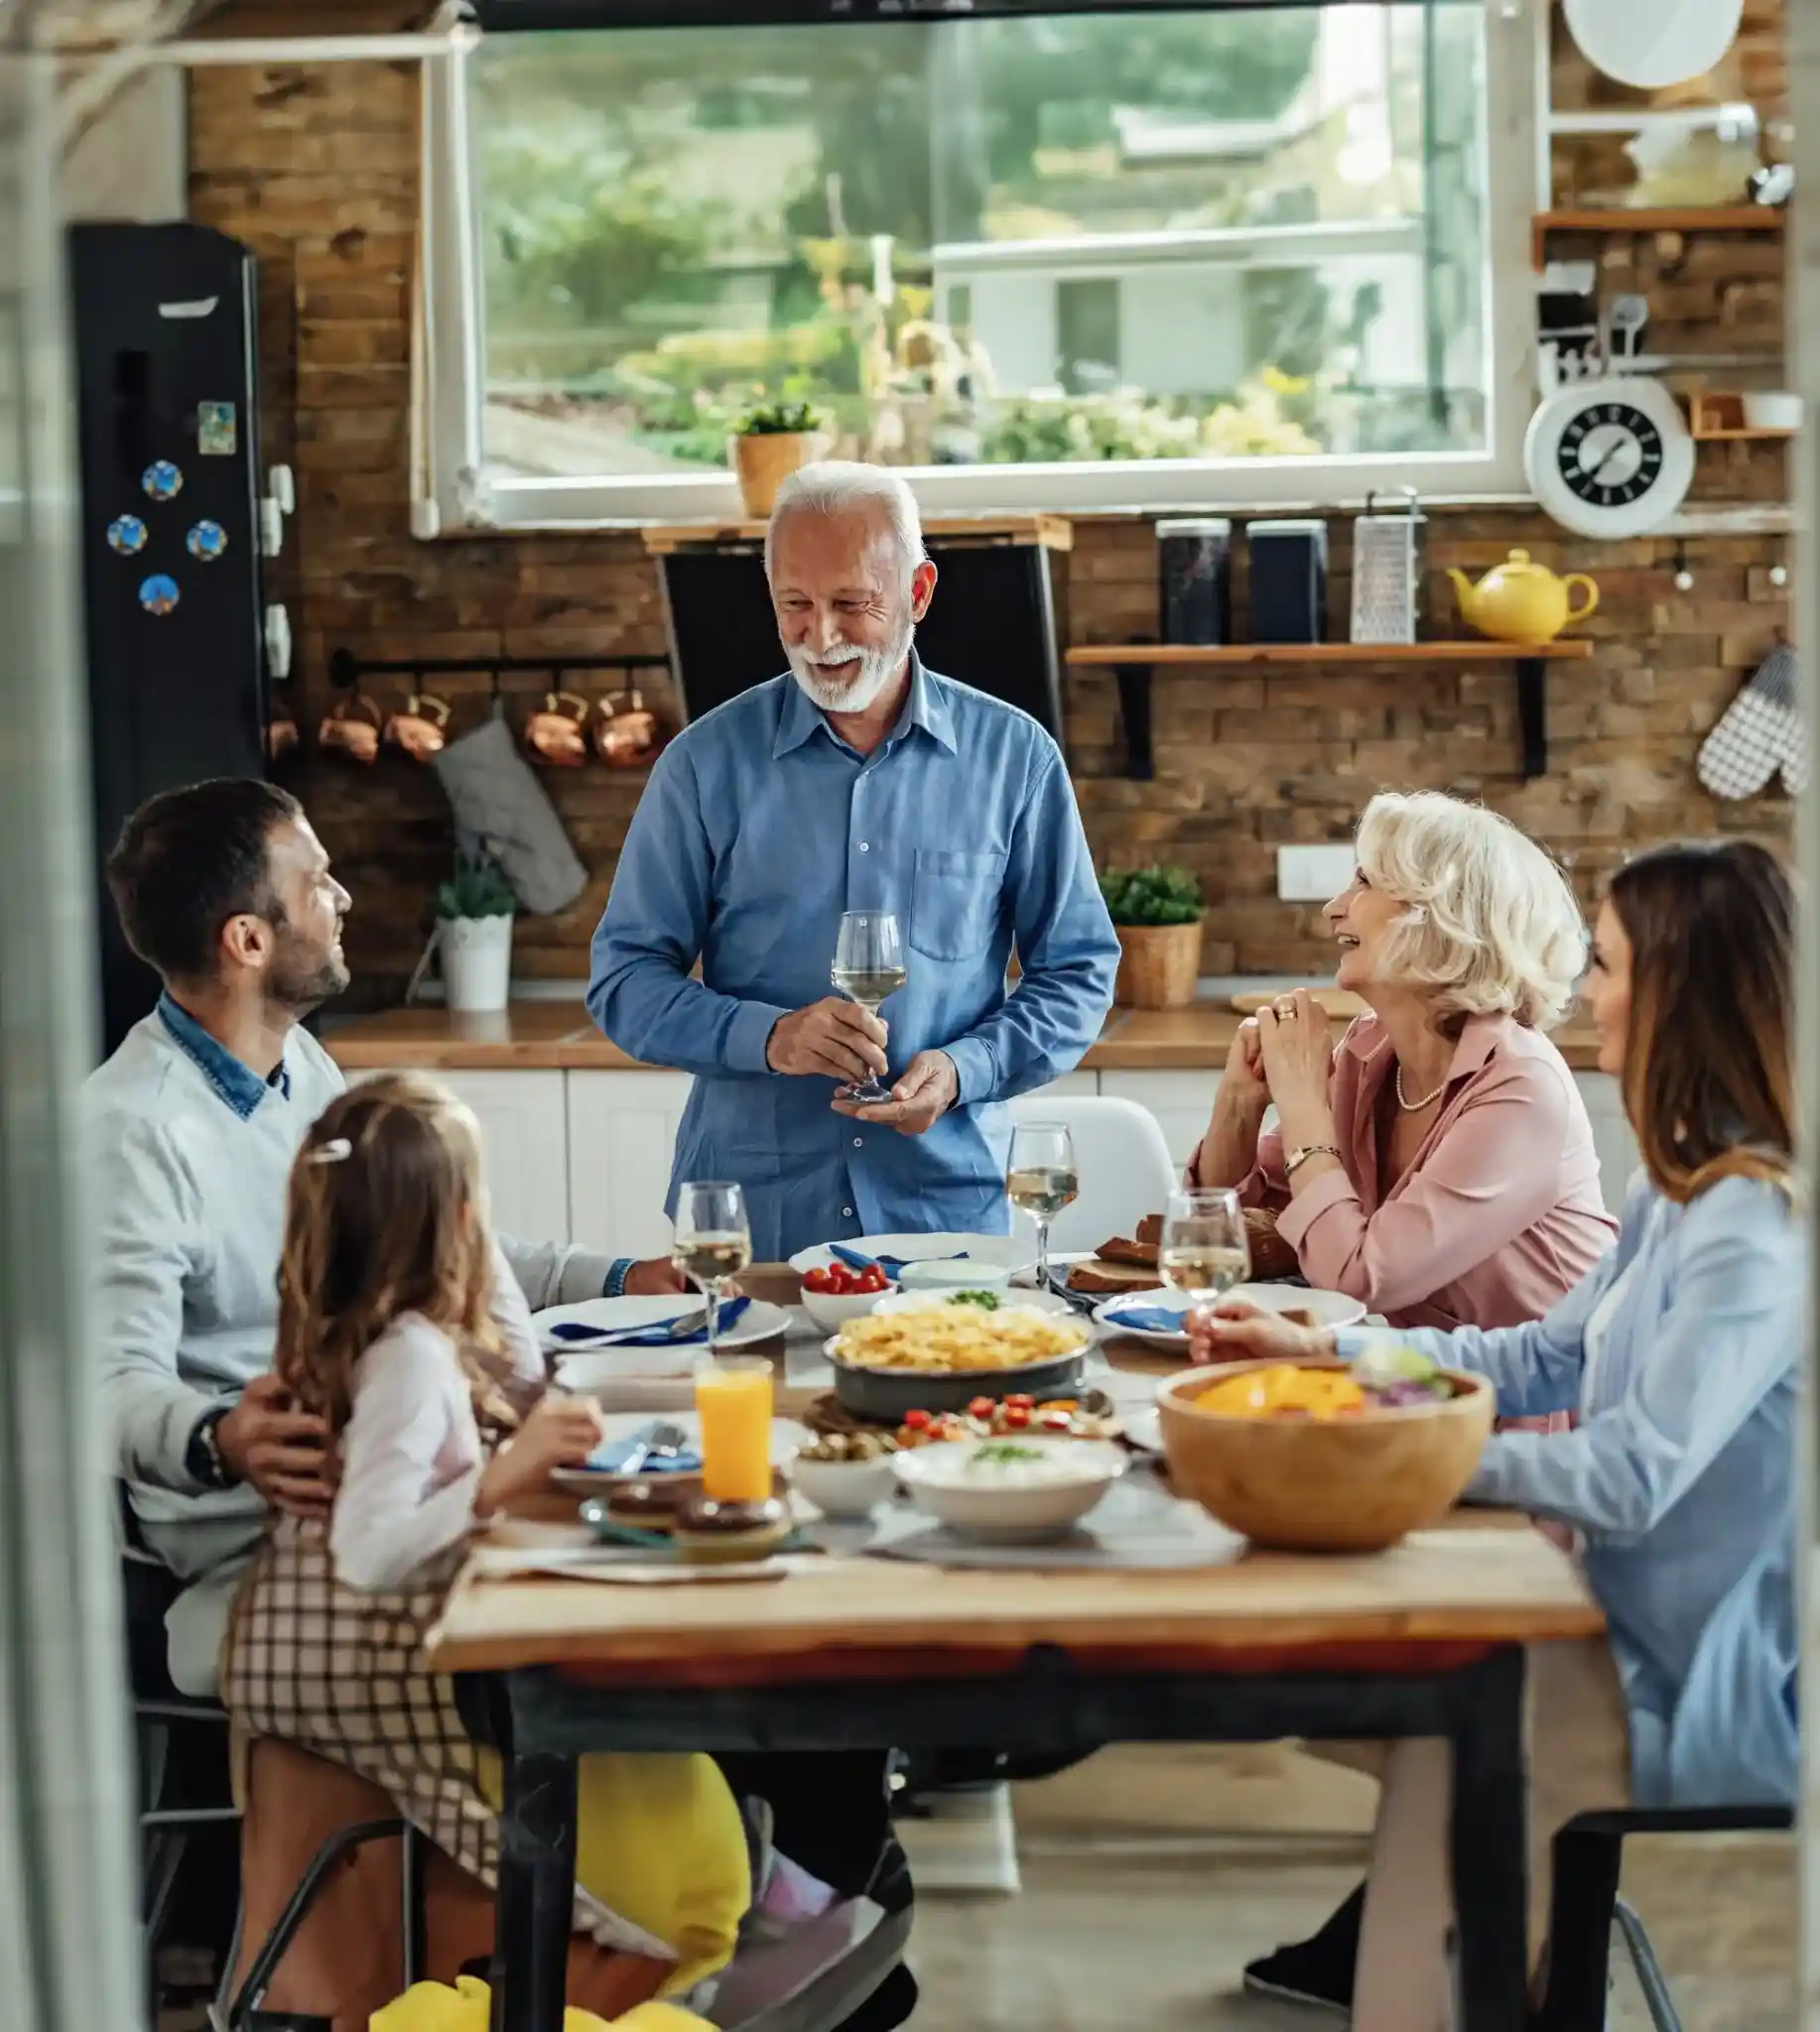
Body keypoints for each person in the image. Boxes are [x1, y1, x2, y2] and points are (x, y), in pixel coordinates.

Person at [1196, 838, 1800, 2027]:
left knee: (1446, 1729)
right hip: (1599, 1605)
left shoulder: (1758, 1226)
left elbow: (1626, 1476)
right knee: (1426, 1709)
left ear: (1685, 993)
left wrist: (1384, 1448)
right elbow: (1540, 1354)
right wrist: (1332, 1358)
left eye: (1616, 966)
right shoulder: (1678, 1188)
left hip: (1696, 1668)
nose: (1588, 991)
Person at [91, 778, 686, 1695]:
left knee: (661, 1540)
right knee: (619, 1613)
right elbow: (104, 1387)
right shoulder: (132, 1130)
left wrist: (611, 1275)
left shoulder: (298, 1064)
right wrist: (223, 1438)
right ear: (248, 941)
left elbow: (430, 1245)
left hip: (402, 1467)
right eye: (316, 882)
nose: (342, 900)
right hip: (266, 1530)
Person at [220, 1074, 750, 2016]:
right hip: (378, 1660)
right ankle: (637, 1960)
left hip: (380, 1635)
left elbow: (521, 1362)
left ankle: (741, 1901)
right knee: (661, 1812)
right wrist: (500, 1480)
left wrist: (475, 1255)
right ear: (462, 1213)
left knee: (668, 1782)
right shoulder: (411, 1362)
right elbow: (370, 1553)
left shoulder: (385, 1330)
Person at [587, 459, 1120, 1260]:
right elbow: (623, 980)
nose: (822, 636)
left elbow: (1078, 972)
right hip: (752, 1217)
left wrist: (965, 1068)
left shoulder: (1016, 758)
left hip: (946, 1213)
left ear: (918, 592)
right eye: (794, 606)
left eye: (852, 604)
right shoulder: (703, 765)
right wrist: (768, 1038)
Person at [1189, 790, 1615, 1332]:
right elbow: (1215, 1236)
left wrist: (1300, 1105)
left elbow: (1359, 1279)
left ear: (1439, 917)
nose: (1333, 907)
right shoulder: (1370, 1050)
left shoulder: (1523, 1088)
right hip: (1408, 1382)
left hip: (1526, 1404)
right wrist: (1238, 1106)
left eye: (1364, 882)